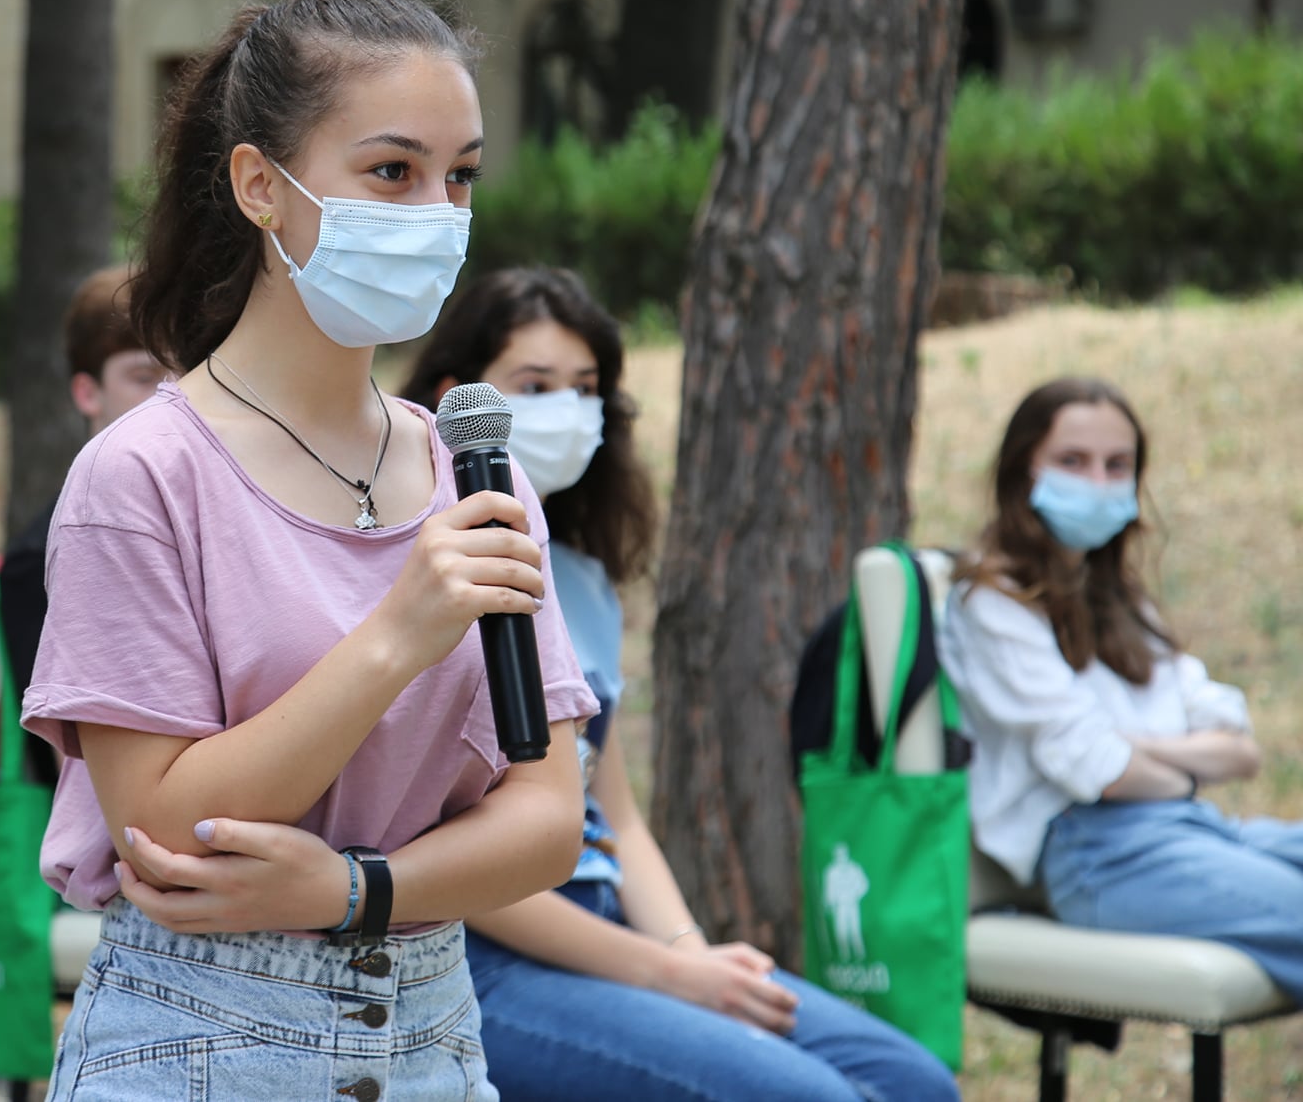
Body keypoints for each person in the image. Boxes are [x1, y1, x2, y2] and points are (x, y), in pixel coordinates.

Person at [20, 0, 598, 1101]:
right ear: (259, 187)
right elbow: (163, 832)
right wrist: (395, 637)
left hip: (431, 1038)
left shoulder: (474, 470)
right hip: (199, 1040)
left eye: (461, 175)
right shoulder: (144, 475)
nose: (436, 212)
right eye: (392, 171)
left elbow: (544, 821)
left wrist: (349, 890)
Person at [401, 266, 958, 1102]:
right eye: (535, 385)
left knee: (911, 1080)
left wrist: (691, 953)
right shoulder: (424, 581)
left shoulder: (583, 581)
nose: (566, 410)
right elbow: (440, 858)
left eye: (586, 387)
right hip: (492, 958)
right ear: (456, 398)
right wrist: (666, 974)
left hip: (613, 927)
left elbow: (616, 814)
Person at [940, 377, 1300, 1001]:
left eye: (1117, 465)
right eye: (1072, 461)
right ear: (1023, 472)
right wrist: (1182, 767)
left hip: (1192, 826)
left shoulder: (1121, 599)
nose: (1098, 482)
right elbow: (1099, 771)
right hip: (1099, 854)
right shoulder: (993, 605)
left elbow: (1239, 746)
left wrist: (1138, 750)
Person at [0, 266, 172, 785]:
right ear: (87, 393)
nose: (171, 394)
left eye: (185, 373)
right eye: (144, 376)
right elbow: (79, 769)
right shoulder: (42, 555)